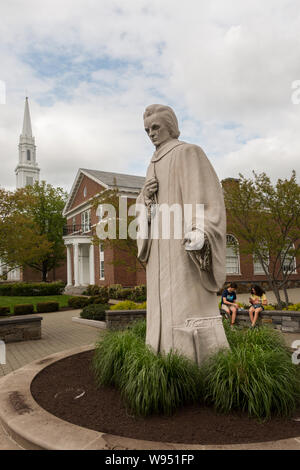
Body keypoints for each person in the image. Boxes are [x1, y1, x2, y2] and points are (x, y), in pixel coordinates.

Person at [136, 104, 229, 359]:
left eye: (155, 127)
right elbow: (143, 208)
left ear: (170, 126)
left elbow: (208, 196)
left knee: (186, 306)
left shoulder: (189, 152)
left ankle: (192, 362)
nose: (151, 134)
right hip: (158, 251)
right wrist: (145, 198)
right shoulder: (151, 165)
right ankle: (161, 358)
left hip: (182, 249)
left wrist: (200, 230)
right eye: (147, 130)